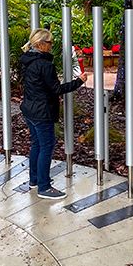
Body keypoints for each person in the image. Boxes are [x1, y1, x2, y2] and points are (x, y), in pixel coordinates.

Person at [19, 28, 88, 199]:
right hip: (42, 113)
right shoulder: (44, 65)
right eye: (50, 43)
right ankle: (44, 187)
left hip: (29, 110)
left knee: (36, 144)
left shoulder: (26, 61)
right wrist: (78, 82)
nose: (52, 46)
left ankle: (34, 180)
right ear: (41, 44)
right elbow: (56, 89)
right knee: (46, 146)